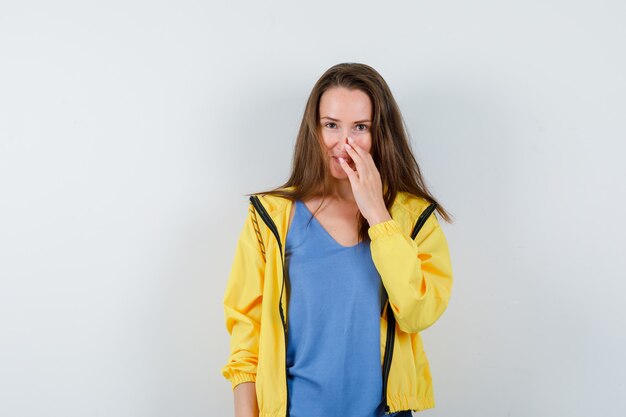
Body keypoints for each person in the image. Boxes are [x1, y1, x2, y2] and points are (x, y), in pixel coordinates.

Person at [221, 62, 454, 417]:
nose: (344, 143)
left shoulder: (412, 218)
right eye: (331, 125)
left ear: (380, 135)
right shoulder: (270, 218)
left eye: (361, 127)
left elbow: (417, 313)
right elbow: (246, 337)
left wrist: (379, 215)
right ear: (314, 130)